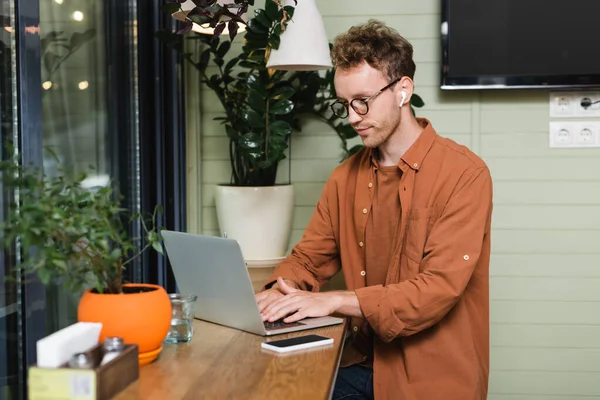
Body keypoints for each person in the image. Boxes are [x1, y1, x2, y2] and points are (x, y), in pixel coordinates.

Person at [256, 19, 493, 400]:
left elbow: (435, 290)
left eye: (363, 101)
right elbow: (308, 259)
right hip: (357, 365)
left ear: (402, 90)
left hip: (432, 381)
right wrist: (274, 294)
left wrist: (333, 299)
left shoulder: (465, 174)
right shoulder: (344, 178)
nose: (352, 117)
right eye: (344, 104)